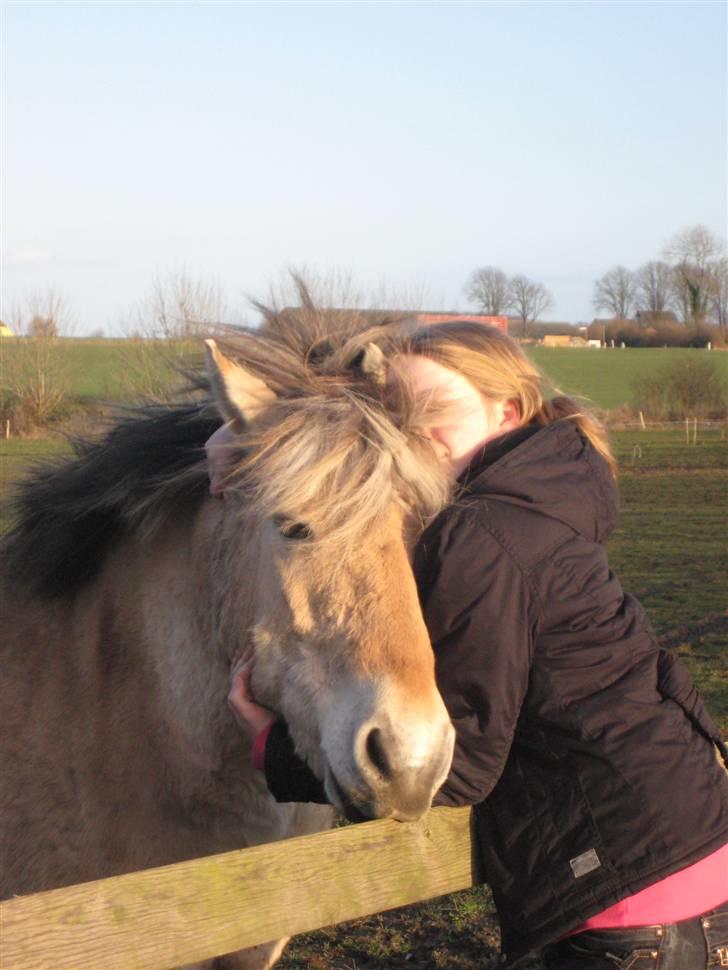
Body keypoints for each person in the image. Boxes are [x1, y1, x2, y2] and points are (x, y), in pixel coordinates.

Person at [212, 321, 728, 969]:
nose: (414, 434)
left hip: (625, 894)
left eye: (434, 413)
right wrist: (232, 426)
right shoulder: (545, 490)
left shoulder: (479, 531)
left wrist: (275, 752)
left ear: (504, 411)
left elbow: (460, 765)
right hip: (698, 846)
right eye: (400, 415)